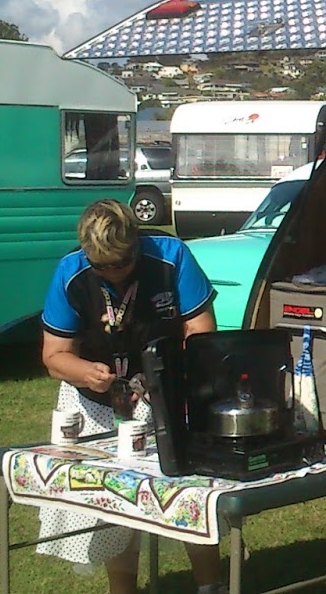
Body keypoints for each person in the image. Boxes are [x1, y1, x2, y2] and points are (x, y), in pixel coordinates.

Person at [39, 199, 227, 594]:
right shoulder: (70, 273)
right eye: (101, 267)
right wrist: (86, 373)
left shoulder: (172, 257)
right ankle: (122, 590)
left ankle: (211, 585)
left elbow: (202, 332)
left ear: (136, 245)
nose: (113, 275)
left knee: (186, 492)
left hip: (168, 393)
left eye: (120, 264)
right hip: (96, 404)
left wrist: (171, 376)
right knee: (113, 505)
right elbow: (55, 356)